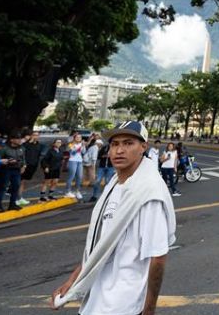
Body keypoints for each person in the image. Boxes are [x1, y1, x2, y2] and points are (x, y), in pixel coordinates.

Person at [51, 120, 176, 314]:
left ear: (143, 147)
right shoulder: (115, 184)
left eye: (128, 143)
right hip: (97, 299)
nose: (119, 150)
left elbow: (158, 258)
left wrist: (149, 308)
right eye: (115, 144)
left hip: (124, 304)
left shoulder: (149, 193)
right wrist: (73, 280)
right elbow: (101, 244)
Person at [0, 131, 25, 212]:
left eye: (20, 138)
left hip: (17, 170)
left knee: (15, 187)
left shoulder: (21, 148)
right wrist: (8, 161)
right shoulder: (4, 148)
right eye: (17, 138)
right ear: (12, 140)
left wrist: (24, 165)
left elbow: (23, 158)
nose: (19, 140)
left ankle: (12, 204)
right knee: (3, 188)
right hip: (5, 170)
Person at [20, 129, 45, 206]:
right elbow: (22, 152)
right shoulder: (25, 144)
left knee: (24, 182)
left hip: (33, 166)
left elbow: (41, 154)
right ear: (31, 136)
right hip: (24, 166)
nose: (36, 137)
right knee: (20, 182)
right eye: (34, 135)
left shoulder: (39, 145)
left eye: (37, 135)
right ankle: (18, 198)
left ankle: (19, 197)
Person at [91, 138, 115, 202]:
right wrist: (104, 156)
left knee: (107, 182)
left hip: (110, 167)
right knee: (97, 181)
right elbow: (98, 156)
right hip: (102, 167)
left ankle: (106, 197)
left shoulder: (115, 148)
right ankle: (94, 196)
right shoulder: (104, 148)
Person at [65, 132, 85, 199]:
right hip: (72, 161)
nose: (79, 138)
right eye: (77, 137)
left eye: (80, 137)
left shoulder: (82, 144)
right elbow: (72, 153)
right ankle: (68, 191)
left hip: (80, 161)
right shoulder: (70, 144)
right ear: (74, 138)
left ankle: (77, 191)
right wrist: (78, 148)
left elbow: (83, 152)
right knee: (71, 176)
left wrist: (83, 146)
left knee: (79, 177)